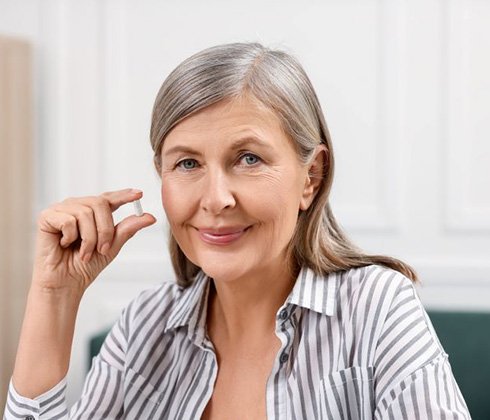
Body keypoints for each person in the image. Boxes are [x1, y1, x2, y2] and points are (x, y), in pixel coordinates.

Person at [4, 42, 470, 419]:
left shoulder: (376, 309)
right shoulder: (143, 328)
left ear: (310, 176)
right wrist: (54, 296)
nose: (215, 199)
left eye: (249, 159)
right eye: (187, 163)